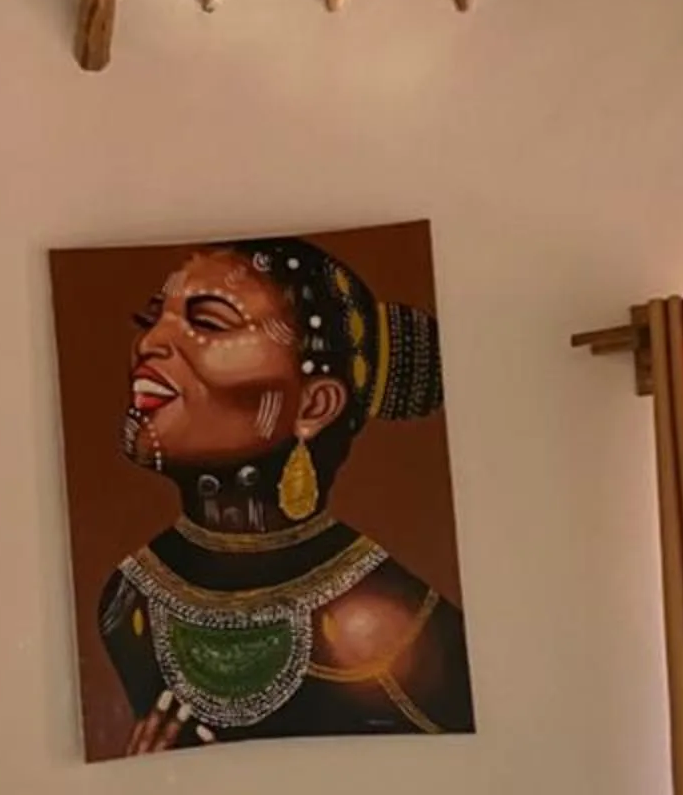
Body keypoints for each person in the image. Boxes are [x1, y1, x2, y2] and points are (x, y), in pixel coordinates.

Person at [99, 238, 474, 748]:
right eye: (151, 318)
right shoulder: (127, 598)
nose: (149, 344)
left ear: (315, 405)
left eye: (207, 322)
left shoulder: (399, 633)